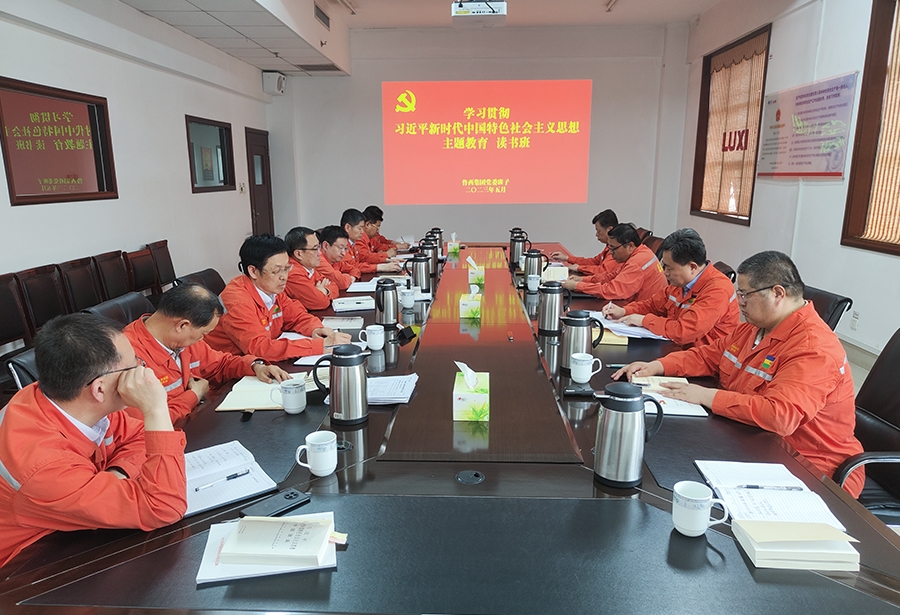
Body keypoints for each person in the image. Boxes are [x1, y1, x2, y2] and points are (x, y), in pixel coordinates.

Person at [612, 251, 865, 497]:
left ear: (778, 293)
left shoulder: (813, 348)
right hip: (751, 440)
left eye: (745, 295)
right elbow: (708, 356)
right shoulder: (755, 328)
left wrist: (705, 396)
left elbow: (779, 415)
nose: (739, 302)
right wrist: (657, 366)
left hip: (809, 467)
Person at [0, 313, 187, 568]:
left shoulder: (69, 401)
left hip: (65, 534)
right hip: (26, 568)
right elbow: (163, 506)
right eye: (134, 366)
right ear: (99, 389)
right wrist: (156, 409)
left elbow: (138, 436)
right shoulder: (44, 466)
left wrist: (118, 472)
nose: (144, 372)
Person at [123, 283, 291, 422]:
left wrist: (255, 366)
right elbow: (146, 421)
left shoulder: (181, 339)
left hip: (199, 422)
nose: (202, 339)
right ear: (182, 325)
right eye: (203, 334)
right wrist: (193, 396)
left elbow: (220, 364)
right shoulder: (128, 359)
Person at [205, 234, 351, 361]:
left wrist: (316, 329)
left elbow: (297, 316)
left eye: (286, 269)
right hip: (234, 373)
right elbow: (259, 348)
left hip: (265, 364)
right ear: (253, 271)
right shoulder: (237, 300)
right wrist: (318, 346)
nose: (284, 277)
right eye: (276, 271)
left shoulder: (272, 288)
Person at [601, 228, 739, 347]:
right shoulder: (681, 282)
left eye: (669, 268)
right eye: (664, 266)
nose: (665, 272)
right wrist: (624, 311)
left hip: (702, 360)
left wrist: (644, 320)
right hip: (676, 347)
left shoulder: (717, 289)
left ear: (692, 267)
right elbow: (653, 305)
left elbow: (684, 331)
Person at [562, 223, 666, 302]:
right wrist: (582, 279)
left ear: (630, 246)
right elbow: (612, 276)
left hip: (644, 313)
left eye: (613, 249)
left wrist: (577, 286)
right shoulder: (641, 252)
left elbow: (612, 290)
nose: (611, 253)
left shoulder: (637, 263)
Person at [550, 209, 619, 276]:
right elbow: (594, 262)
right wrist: (566, 258)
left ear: (609, 230)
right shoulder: (608, 247)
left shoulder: (616, 250)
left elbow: (602, 271)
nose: (596, 234)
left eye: (598, 231)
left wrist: (579, 268)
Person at [284, 226, 334, 310]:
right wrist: (320, 292)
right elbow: (320, 302)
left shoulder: (308, 267)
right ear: (298, 254)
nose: (320, 253)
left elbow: (334, 285)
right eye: (315, 249)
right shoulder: (293, 274)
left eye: (319, 247)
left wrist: (325, 290)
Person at [341, 208, 402, 274]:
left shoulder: (353, 243)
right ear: (348, 227)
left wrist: (385, 260)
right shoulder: (342, 246)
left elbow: (361, 261)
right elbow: (353, 266)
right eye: (360, 228)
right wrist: (380, 267)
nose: (362, 232)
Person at [316, 225, 358, 290]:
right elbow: (341, 283)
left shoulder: (335, 260)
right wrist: (348, 278)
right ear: (325, 246)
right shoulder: (318, 260)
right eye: (340, 248)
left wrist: (352, 277)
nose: (343, 253)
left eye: (345, 248)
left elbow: (355, 269)